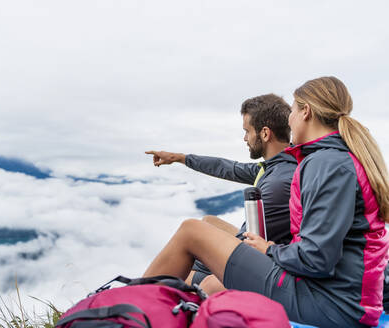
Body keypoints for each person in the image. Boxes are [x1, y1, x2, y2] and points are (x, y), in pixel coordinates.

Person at [143, 76, 389, 327]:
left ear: (306, 112)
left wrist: (269, 250)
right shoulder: (327, 158)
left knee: (191, 232)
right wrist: (181, 157)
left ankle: (130, 314)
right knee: (205, 225)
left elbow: (317, 259)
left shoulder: (325, 164)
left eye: (293, 109)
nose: (289, 119)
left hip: (330, 303)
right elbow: (228, 168)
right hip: (338, 296)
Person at [146, 94, 296, 288]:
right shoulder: (276, 166)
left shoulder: (277, 183)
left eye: (247, 131)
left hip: (262, 261)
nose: (245, 138)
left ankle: (133, 303)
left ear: (265, 134)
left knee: (186, 266)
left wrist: (198, 260)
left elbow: (245, 248)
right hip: (261, 243)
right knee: (209, 221)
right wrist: (179, 158)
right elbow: (226, 167)